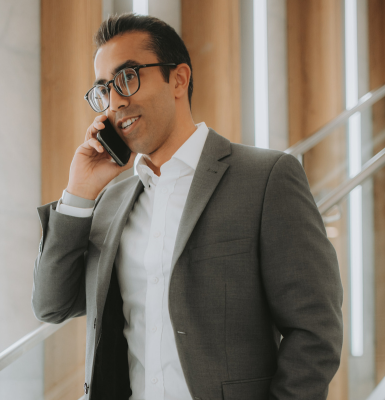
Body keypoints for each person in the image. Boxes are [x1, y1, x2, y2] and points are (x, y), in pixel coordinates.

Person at [32, 13, 343, 400]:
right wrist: (78, 193)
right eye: (104, 89)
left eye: (128, 78)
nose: (115, 102)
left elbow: (315, 330)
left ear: (178, 79)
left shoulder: (265, 178)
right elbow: (52, 304)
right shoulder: (112, 203)